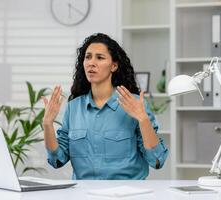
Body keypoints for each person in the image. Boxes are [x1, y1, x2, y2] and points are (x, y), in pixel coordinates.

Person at [41, 33, 168, 180]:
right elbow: (57, 160)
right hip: (83, 193)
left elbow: (157, 160)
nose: (91, 63)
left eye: (100, 58)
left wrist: (143, 119)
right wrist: (47, 124)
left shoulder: (135, 105)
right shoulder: (73, 108)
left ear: (114, 66)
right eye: (88, 57)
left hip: (127, 193)